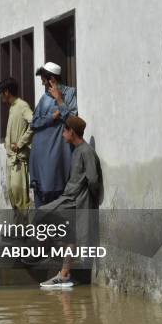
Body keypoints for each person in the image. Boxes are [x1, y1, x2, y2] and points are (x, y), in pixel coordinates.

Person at [39, 116, 103, 288]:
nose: (62, 135)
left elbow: (93, 180)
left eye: (64, 131)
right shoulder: (76, 151)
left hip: (75, 201)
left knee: (41, 213)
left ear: (71, 132)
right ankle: (64, 274)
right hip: (70, 199)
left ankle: (41, 259)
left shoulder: (86, 152)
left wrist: (88, 203)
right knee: (70, 237)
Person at [29, 62, 78, 208]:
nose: (43, 83)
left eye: (44, 80)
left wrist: (59, 100)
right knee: (41, 200)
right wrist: (52, 117)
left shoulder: (69, 93)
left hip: (56, 154)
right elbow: (34, 123)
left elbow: (72, 119)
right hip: (39, 155)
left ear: (52, 79)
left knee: (56, 200)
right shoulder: (44, 98)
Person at [0, 77, 33, 213]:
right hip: (10, 159)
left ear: (6, 92)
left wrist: (21, 143)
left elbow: (34, 123)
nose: (1, 97)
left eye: (1, 93)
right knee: (12, 195)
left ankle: (24, 231)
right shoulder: (12, 108)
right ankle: (18, 228)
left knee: (20, 197)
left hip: (19, 159)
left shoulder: (22, 106)